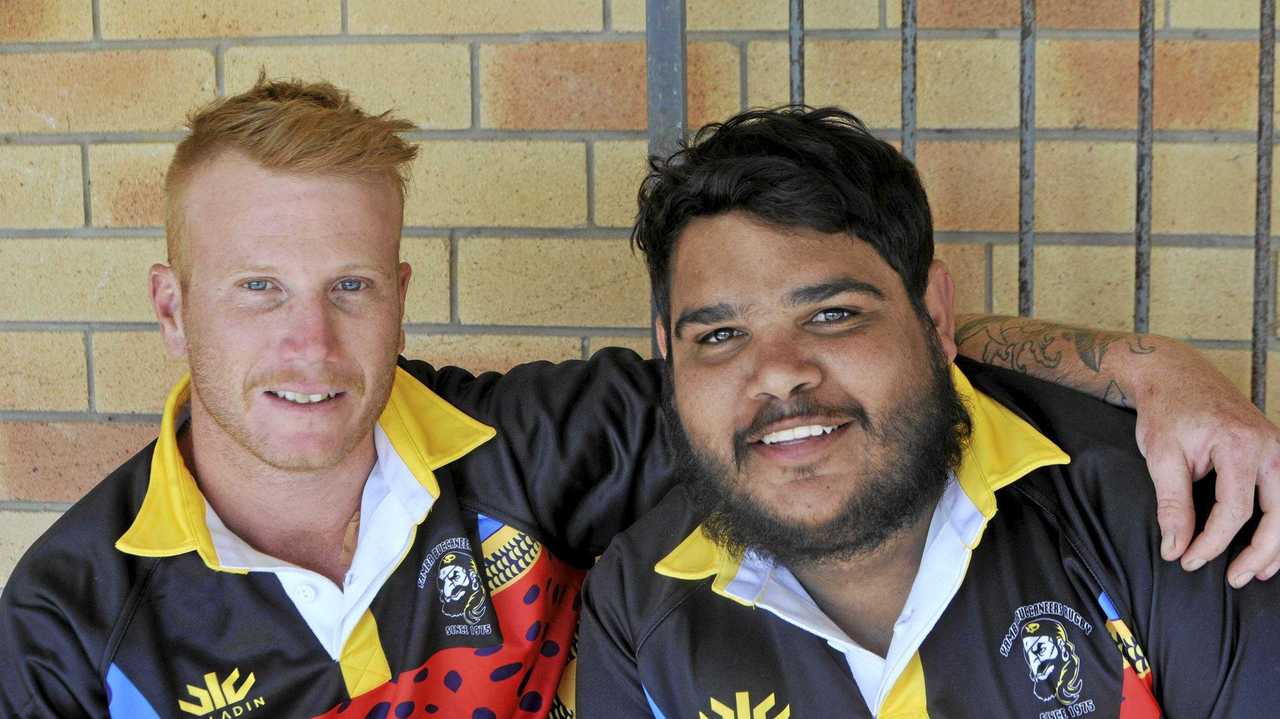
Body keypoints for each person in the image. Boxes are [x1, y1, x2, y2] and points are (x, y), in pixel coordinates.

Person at [0, 81, 1272, 719]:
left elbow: (811, 373)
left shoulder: (542, 445)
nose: (309, 341)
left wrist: (1140, 367)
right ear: (170, 306)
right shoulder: (66, 620)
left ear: (397, 291)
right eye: (254, 288)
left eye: (346, 284)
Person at [576, 106, 1280, 718]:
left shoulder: (1161, 515)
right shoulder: (639, 606)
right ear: (669, 356)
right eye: (720, 335)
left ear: (936, 315)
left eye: (832, 313)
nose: (778, 371)